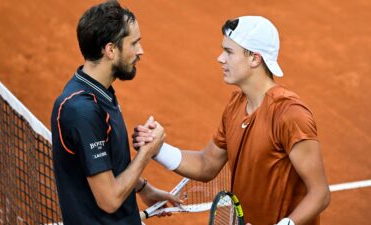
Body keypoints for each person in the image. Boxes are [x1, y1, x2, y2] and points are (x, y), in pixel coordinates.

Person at [133, 16, 330, 225]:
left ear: (255, 58)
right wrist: (157, 149)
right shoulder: (236, 105)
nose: (220, 58)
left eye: (229, 51)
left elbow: (320, 194)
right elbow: (206, 164)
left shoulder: (290, 114)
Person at [50, 1, 180, 225]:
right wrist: (146, 153)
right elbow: (109, 199)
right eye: (134, 43)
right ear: (110, 50)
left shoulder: (100, 91)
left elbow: (104, 164)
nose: (141, 51)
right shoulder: (82, 110)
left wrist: (143, 188)